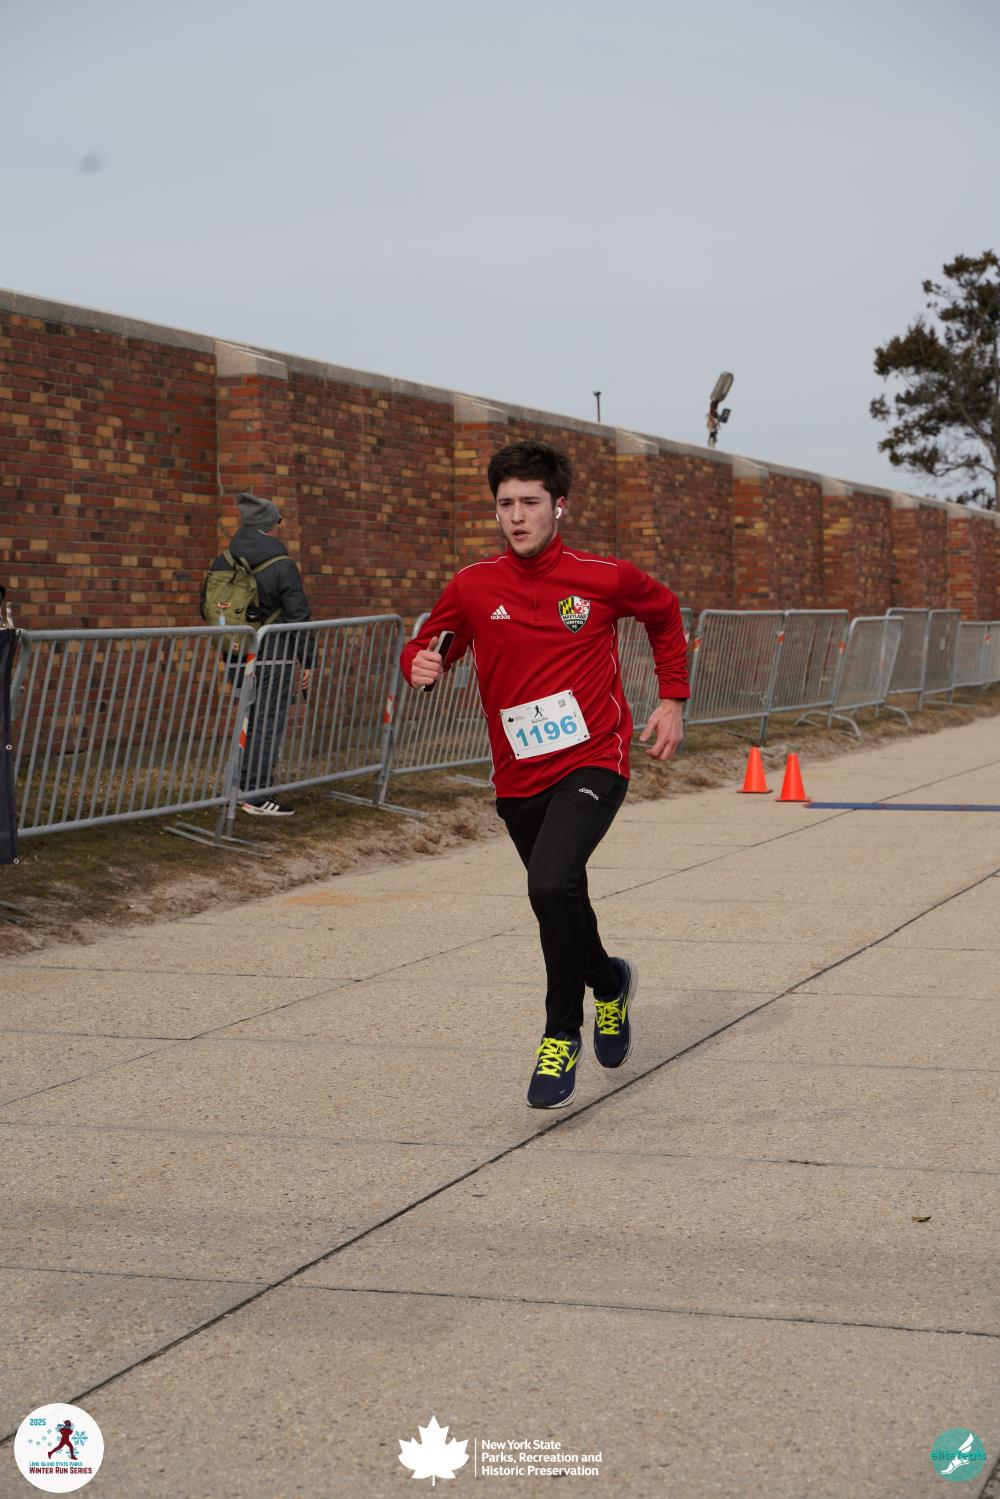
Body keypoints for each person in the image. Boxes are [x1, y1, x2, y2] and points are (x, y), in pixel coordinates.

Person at [401, 439, 689, 1109]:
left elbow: (665, 612)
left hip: (593, 757)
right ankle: (609, 983)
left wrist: (672, 698)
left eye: (530, 502)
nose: (517, 516)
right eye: (505, 503)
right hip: (517, 774)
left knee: (549, 883)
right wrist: (418, 663)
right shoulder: (474, 585)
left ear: (560, 504)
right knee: (560, 896)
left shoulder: (604, 577)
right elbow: (431, 643)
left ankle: (561, 1033)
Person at [203, 492, 313, 816]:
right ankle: (257, 792)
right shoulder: (281, 564)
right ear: (270, 524)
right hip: (273, 654)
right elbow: (298, 614)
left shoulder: (224, 561)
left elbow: (206, 607)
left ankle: (240, 787)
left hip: (236, 652)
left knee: (247, 718)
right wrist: (308, 660)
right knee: (268, 720)